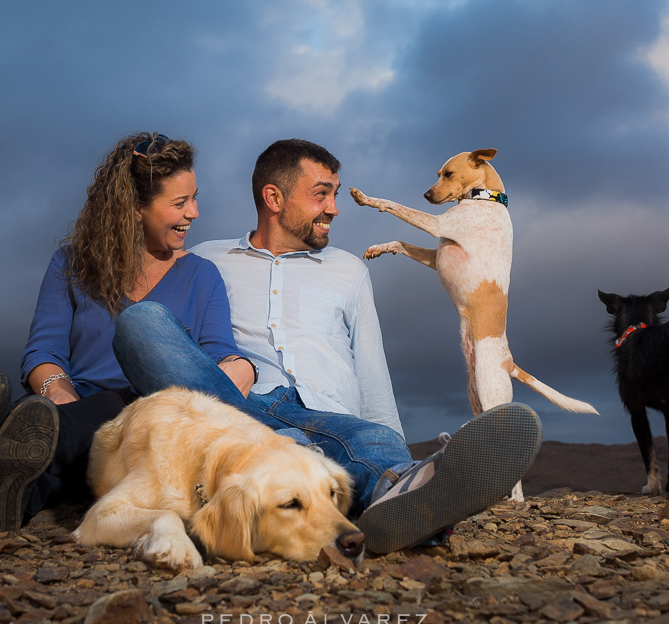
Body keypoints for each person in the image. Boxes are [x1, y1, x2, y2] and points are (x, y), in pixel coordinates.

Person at [112, 139, 543, 554]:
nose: (334, 208)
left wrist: (393, 439)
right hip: (237, 409)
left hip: (330, 421)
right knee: (140, 322)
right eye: (322, 195)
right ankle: (328, 476)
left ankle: (404, 490)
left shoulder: (348, 269)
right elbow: (169, 344)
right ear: (274, 198)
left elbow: (371, 372)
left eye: (335, 194)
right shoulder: (207, 258)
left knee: (372, 438)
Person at [0, 133, 256, 533]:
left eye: (195, 198)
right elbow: (43, 351)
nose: (195, 213)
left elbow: (220, 352)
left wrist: (240, 370)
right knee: (46, 454)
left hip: (144, 423)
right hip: (71, 409)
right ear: (135, 209)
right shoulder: (71, 263)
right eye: (180, 203)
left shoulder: (202, 275)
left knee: (97, 415)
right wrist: (59, 398)